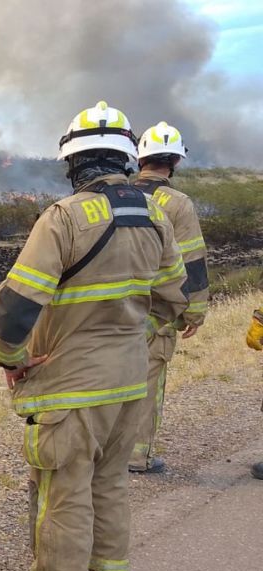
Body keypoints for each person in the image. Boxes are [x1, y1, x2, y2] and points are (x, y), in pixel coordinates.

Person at [0, 102, 187, 571]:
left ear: (72, 163)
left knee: (66, 488)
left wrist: (11, 358)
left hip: (71, 383)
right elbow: (173, 301)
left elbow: (16, 305)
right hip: (129, 380)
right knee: (111, 481)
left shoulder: (65, 217)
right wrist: (131, 338)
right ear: (125, 158)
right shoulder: (156, 216)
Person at [128, 122, 209, 473]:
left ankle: (102, 455)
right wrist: (194, 312)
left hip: (111, 308)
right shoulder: (177, 204)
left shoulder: (114, 195)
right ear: (175, 160)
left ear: (139, 158)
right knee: (146, 383)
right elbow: (192, 261)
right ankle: (136, 457)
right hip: (157, 312)